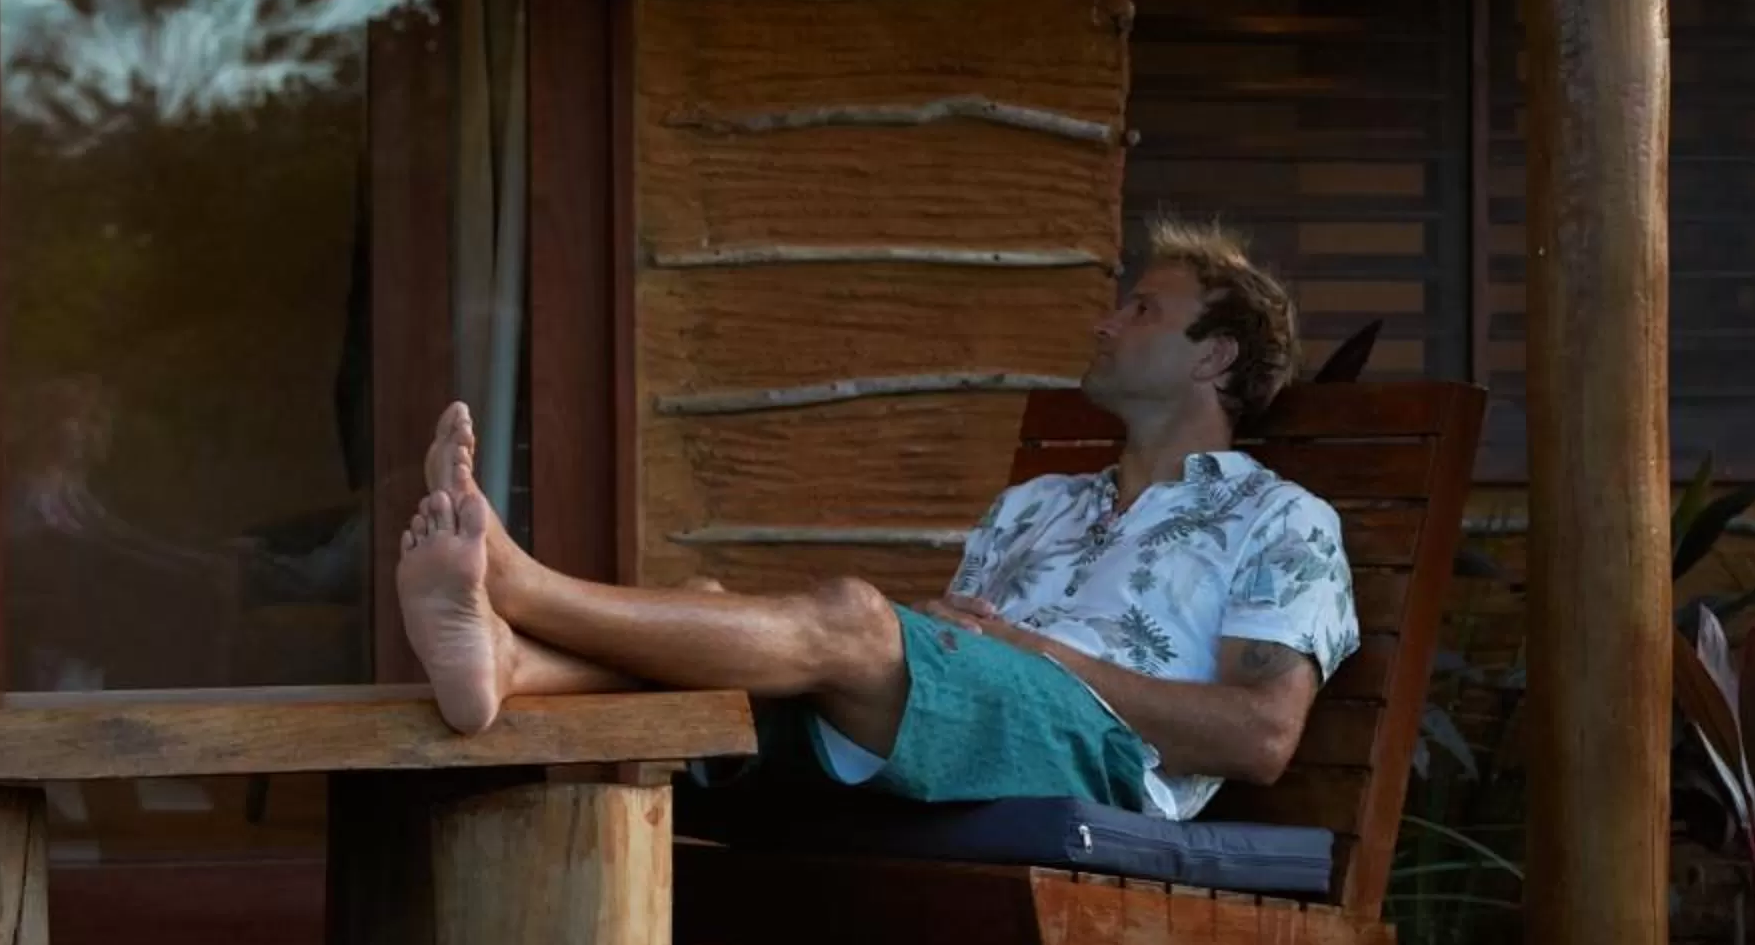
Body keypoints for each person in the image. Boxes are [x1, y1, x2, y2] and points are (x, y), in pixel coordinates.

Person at [395, 220, 1359, 821]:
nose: (1106, 323)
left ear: (1215, 359)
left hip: (1104, 765)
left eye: (1143, 309)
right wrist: (956, 640)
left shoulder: (1281, 520)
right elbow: (955, 658)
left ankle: (518, 589)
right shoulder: (1039, 505)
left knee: (850, 619)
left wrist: (1031, 652)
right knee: (711, 611)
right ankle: (514, 666)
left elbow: (1258, 738)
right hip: (967, 723)